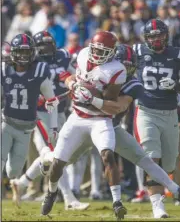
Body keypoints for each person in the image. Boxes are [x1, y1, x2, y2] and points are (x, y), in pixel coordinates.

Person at [40, 44, 180, 218]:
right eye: (122, 65)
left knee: (143, 158)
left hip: (109, 126)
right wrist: (73, 84)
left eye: (129, 66)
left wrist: (93, 100)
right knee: (62, 161)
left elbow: (119, 107)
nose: (125, 70)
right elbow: (74, 78)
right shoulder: (101, 71)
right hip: (82, 123)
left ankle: (177, 190)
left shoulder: (133, 83)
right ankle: (46, 156)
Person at [41, 31, 128, 220]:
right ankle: (52, 192)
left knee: (107, 155)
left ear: (113, 52)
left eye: (102, 51)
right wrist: (72, 84)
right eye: (95, 49)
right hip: (77, 117)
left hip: (100, 119)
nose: (97, 54)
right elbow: (70, 78)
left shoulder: (117, 69)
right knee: (58, 162)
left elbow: (111, 101)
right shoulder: (82, 54)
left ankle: (117, 202)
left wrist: (92, 97)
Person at [10, 31, 89, 210]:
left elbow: (74, 74)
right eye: (42, 46)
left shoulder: (62, 56)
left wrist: (74, 83)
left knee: (51, 155)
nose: (46, 49)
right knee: (55, 154)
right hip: (40, 113)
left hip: (60, 111)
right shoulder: (31, 63)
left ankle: (21, 183)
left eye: (48, 44)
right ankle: (69, 199)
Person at [133, 19, 180, 218]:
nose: (156, 39)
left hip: (170, 113)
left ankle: (174, 189)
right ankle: (158, 206)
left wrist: (175, 86)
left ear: (166, 35)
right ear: (146, 38)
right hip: (146, 111)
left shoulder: (178, 55)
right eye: (152, 36)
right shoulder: (137, 53)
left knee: (168, 164)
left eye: (159, 35)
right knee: (151, 157)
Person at [1, 33, 59, 179]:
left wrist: (53, 127)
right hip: (6, 124)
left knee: (13, 173)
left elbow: (52, 101)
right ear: (13, 52)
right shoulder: (4, 70)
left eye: (27, 52)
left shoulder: (39, 71)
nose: (23, 56)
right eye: (20, 51)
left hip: (25, 129)